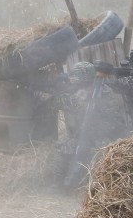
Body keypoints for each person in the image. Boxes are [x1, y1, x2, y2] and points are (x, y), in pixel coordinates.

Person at [49, 61, 127, 189]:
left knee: (61, 146)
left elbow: (58, 102)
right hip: (111, 136)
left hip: (97, 138)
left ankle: (60, 184)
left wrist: (58, 86)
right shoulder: (103, 88)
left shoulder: (85, 94)